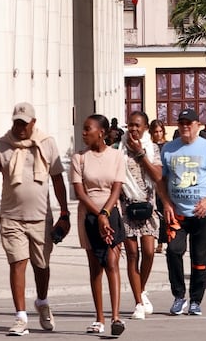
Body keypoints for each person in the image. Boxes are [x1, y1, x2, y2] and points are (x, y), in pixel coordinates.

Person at [0, 102, 69, 336]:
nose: (20, 128)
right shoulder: (2, 145)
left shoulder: (47, 143)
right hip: (12, 217)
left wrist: (64, 213)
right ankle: (20, 316)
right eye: (16, 123)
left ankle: (42, 301)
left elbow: (57, 179)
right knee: (17, 263)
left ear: (33, 123)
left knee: (41, 265)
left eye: (24, 124)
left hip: (40, 216)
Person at [159, 108, 206, 316]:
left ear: (198, 125)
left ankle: (196, 300)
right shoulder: (169, 149)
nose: (185, 127)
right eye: (181, 123)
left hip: (202, 214)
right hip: (177, 214)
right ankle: (179, 296)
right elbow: (161, 180)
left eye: (189, 123)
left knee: (200, 260)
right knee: (173, 252)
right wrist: (166, 203)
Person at [72, 114, 127, 335]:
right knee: (95, 265)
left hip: (111, 213)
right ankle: (99, 318)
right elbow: (80, 192)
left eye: (88, 129)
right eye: (84, 129)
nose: (84, 133)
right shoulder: (79, 158)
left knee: (112, 262)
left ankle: (116, 317)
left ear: (101, 132)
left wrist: (105, 214)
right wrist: (98, 215)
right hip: (88, 216)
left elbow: (116, 188)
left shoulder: (116, 156)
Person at [119, 111, 161, 320]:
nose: (134, 129)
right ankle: (138, 301)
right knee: (132, 254)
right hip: (126, 207)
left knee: (149, 252)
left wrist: (140, 154)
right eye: (131, 125)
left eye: (138, 125)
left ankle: (141, 288)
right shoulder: (118, 149)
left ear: (145, 128)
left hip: (148, 207)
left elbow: (158, 176)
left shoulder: (152, 149)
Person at [149, 119, 169, 254]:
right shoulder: (149, 146)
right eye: (156, 132)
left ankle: (166, 239)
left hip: (166, 181)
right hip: (153, 182)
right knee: (156, 212)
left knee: (165, 211)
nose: (158, 134)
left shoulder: (168, 146)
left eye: (160, 131)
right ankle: (159, 241)